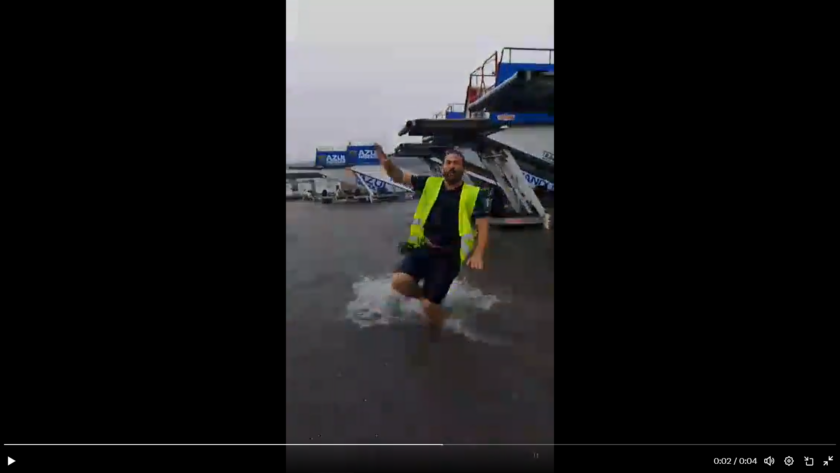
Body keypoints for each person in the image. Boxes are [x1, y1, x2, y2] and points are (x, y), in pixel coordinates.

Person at [375, 143, 490, 335]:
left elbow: (483, 225)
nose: (451, 166)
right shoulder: (430, 183)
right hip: (424, 248)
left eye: (456, 163)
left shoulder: (474, 194)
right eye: (448, 163)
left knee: (430, 310)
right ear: (442, 167)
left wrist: (478, 253)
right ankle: (425, 299)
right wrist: (388, 166)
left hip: (448, 256)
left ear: (463, 168)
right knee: (399, 282)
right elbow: (400, 176)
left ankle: (448, 330)